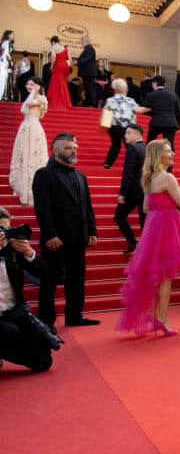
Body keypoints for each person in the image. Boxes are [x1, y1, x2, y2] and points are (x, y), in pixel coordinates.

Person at [116, 140, 180, 337]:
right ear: (159, 155)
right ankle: (162, 320)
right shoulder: (168, 177)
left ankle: (156, 317)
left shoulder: (148, 178)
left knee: (156, 276)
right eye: (169, 151)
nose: (173, 154)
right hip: (168, 227)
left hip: (154, 227)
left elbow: (145, 208)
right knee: (166, 278)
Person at [32, 133, 101, 333]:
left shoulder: (80, 176)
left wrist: (92, 230)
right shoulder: (45, 174)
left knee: (77, 278)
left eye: (75, 147)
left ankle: (74, 315)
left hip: (79, 237)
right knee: (50, 279)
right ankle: (46, 320)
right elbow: (42, 208)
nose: (74, 150)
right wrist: (50, 234)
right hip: (56, 239)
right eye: (69, 148)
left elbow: (87, 206)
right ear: (56, 150)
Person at [0, 207, 61, 372]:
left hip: (13, 313)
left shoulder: (13, 249)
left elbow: (43, 275)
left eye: (7, 229)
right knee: (8, 332)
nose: (4, 235)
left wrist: (30, 253)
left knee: (43, 362)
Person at [9, 76, 49, 207]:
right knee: (23, 155)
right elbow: (24, 108)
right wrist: (32, 91)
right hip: (25, 127)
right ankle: (22, 186)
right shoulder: (30, 96)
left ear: (38, 86)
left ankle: (32, 191)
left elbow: (29, 104)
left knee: (33, 156)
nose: (28, 86)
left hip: (34, 128)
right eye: (27, 84)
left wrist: (34, 91)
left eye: (31, 84)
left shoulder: (41, 98)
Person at [114, 124, 146, 254]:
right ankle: (146, 247)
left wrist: (122, 193)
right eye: (125, 133)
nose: (125, 135)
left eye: (128, 133)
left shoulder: (133, 149)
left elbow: (128, 173)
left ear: (137, 135)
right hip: (146, 190)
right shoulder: (147, 148)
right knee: (144, 221)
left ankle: (133, 242)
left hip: (133, 191)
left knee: (119, 217)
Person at [102, 78, 140, 169]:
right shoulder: (130, 100)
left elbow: (106, 113)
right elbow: (138, 109)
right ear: (125, 89)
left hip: (114, 127)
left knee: (115, 145)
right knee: (130, 147)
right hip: (128, 127)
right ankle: (133, 163)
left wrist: (106, 127)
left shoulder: (110, 100)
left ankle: (108, 163)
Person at [141, 75, 180, 152]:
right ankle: (170, 163)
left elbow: (143, 108)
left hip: (156, 122)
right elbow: (178, 112)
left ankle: (148, 162)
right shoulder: (173, 95)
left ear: (155, 83)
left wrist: (155, 113)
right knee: (170, 146)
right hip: (170, 123)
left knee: (150, 144)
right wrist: (178, 126)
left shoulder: (151, 95)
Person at [75, 35, 97, 107]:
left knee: (90, 89)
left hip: (89, 73)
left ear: (87, 41)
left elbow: (87, 59)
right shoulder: (87, 49)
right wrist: (76, 62)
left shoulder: (90, 49)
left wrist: (77, 62)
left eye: (82, 41)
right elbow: (83, 60)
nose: (81, 42)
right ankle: (88, 104)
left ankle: (92, 104)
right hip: (87, 73)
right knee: (87, 90)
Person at [0, 30, 15, 101]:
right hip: (4, 64)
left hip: (2, 63)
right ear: (8, 35)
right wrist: (11, 61)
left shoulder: (3, 42)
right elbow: (6, 54)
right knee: (4, 80)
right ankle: (3, 97)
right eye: (12, 34)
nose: (14, 36)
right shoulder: (7, 42)